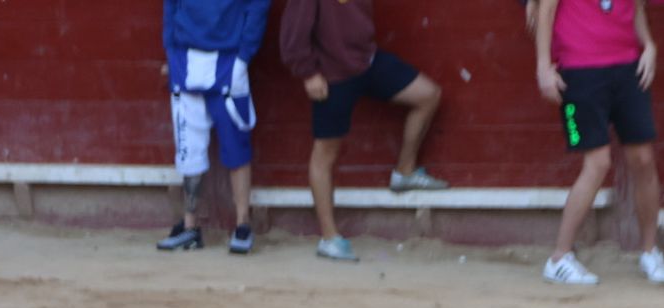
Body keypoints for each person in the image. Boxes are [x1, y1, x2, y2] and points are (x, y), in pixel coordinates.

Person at [280, 0, 449, 262]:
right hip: (332, 75)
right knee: (325, 154)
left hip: (367, 61)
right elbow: (292, 35)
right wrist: (308, 73)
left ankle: (404, 172)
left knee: (428, 95)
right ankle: (329, 238)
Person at [535, 0, 664, 286]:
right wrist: (543, 66)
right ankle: (559, 258)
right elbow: (545, 9)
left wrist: (649, 45)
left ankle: (650, 251)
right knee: (597, 163)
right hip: (579, 72)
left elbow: (637, 8)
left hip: (628, 69)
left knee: (643, 160)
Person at [157, 0, 273, 255]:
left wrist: (243, 57)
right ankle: (190, 227)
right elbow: (170, 6)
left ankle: (242, 223)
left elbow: (259, 6)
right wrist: (170, 49)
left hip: (228, 60)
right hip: (184, 59)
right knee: (189, 147)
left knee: (236, 144)